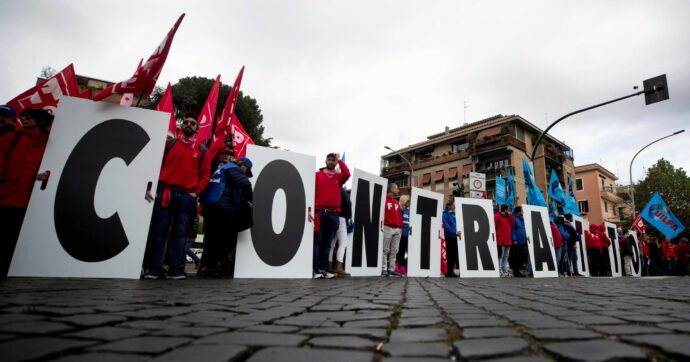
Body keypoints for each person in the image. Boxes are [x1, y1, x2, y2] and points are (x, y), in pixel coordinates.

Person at [143, 112, 212, 279]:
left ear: (197, 129)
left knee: (180, 233)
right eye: (186, 122)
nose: (188, 124)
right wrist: (151, 188)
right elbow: (155, 166)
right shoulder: (169, 144)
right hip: (165, 192)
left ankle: (175, 269)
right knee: (160, 231)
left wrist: (197, 192)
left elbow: (205, 175)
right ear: (182, 126)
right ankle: (154, 269)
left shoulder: (203, 150)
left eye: (192, 123)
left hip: (187, 197)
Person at [0, 109, 53, 276]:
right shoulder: (11, 138)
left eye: (29, 116)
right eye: (23, 116)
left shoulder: (51, 143)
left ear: (41, 121)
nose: (24, 118)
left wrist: (45, 176)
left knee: (14, 240)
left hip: (29, 202)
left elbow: (54, 167)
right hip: (4, 198)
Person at [198, 157, 253, 277]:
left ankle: (207, 267)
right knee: (225, 237)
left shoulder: (221, 168)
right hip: (223, 206)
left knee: (210, 238)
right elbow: (245, 184)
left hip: (210, 204)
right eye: (246, 171)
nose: (245, 174)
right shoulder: (234, 168)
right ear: (243, 166)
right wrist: (249, 199)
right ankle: (222, 266)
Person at [313, 153, 350, 279]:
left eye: (333, 160)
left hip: (334, 214)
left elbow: (347, 173)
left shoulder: (339, 177)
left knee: (328, 243)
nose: (331, 162)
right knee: (318, 241)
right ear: (325, 161)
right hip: (320, 212)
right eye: (329, 160)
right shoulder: (317, 175)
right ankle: (316, 269)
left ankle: (324, 268)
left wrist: (340, 160)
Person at [328, 186, 352, 277]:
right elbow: (348, 203)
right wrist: (348, 215)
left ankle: (329, 266)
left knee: (332, 243)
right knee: (343, 242)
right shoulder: (341, 189)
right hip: (341, 216)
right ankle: (339, 266)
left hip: (331, 215)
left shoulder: (330, 188)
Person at [382, 183, 403, 277]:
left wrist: (400, 227)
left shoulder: (396, 202)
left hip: (397, 229)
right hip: (387, 227)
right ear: (391, 189)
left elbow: (399, 215)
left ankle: (391, 269)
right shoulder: (384, 199)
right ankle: (383, 269)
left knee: (395, 250)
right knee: (385, 249)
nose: (398, 190)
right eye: (396, 188)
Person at [442, 197, 461, 277]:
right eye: (453, 205)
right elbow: (446, 227)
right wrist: (455, 232)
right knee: (449, 255)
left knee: (454, 255)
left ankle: (451, 271)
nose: (455, 206)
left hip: (455, 237)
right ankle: (448, 272)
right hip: (449, 237)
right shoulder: (445, 214)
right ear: (448, 206)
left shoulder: (455, 214)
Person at [494, 204, 514, 277]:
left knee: (506, 256)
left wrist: (509, 215)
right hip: (500, 240)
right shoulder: (497, 216)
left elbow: (513, 223)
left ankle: (504, 270)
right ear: (505, 210)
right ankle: (499, 271)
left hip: (507, 240)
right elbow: (494, 226)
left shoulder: (508, 217)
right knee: (500, 256)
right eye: (508, 209)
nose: (508, 211)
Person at [509, 206, 528, 277]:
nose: (522, 212)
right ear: (518, 212)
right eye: (521, 211)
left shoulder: (521, 219)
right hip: (516, 242)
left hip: (522, 241)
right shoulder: (514, 218)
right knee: (516, 257)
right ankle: (516, 271)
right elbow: (513, 229)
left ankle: (518, 270)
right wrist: (514, 239)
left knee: (522, 257)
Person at [395, 194, 411, 275]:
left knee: (405, 250)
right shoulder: (400, 210)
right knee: (400, 250)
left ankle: (400, 265)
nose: (409, 202)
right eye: (408, 201)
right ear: (404, 201)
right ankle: (399, 266)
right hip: (402, 233)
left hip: (408, 234)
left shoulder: (409, 211)